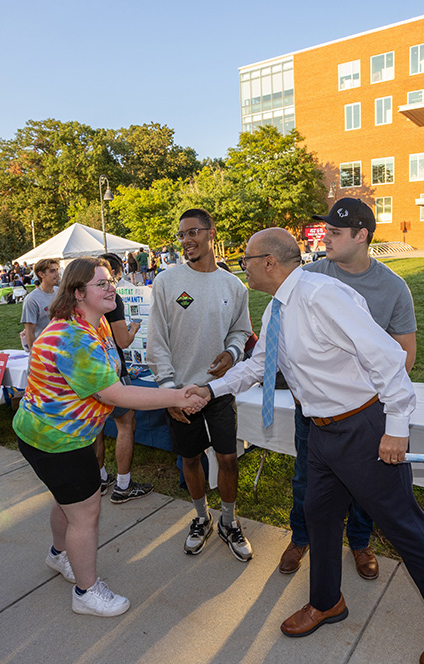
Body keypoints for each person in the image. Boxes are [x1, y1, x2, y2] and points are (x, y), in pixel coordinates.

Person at [192, 226, 424, 664]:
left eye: (247, 260)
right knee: (320, 516)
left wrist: (397, 426)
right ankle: (327, 601)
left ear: (269, 262)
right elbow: (258, 365)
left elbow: (386, 357)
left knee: (404, 527)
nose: (243, 267)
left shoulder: (322, 295)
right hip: (322, 433)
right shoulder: (277, 308)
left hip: (363, 429)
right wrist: (210, 391)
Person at [13, 256, 207, 617]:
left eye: (110, 281)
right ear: (77, 292)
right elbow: (115, 395)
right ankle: (86, 593)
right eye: (101, 283)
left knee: (67, 501)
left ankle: (59, 555)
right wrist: (177, 396)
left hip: (57, 435)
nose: (111, 287)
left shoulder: (91, 322)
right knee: (86, 513)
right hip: (57, 440)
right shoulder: (74, 338)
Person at [277, 198, 417, 579]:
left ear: (362, 235)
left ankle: (360, 542)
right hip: (316, 410)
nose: (325, 238)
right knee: (305, 476)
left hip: (365, 413)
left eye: (335, 233)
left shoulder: (392, 287)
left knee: (365, 485)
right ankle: (301, 537)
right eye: (326, 230)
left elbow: (405, 351)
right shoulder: (309, 276)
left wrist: (383, 409)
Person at [146, 208, 254, 562]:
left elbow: (241, 330)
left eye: (193, 232)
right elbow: (157, 341)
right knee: (190, 459)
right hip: (179, 389)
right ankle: (201, 518)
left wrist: (232, 351)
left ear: (211, 233)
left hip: (219, 391)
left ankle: (228, 521)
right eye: (181, 235)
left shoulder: (233, 285)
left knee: (228, 458)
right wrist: (168, 391)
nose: (186, 241)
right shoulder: (166, 282)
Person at [93, 252, 151, 504]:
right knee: (126, 423)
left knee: (95, 428)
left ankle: (100, 477)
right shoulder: (112, 299)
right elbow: (123, 341)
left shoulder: (81, 297)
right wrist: (135, 327)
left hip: (89, 371)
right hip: (112, 371)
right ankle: (123, 485)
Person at [21, 259, 61, 351]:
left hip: (61, 347)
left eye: (57, 270)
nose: (57, 273)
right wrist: (33, 355)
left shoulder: (59, 292)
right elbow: (30, 332)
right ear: (41, 274)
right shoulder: (32, 299)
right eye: (52, 271)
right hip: (43, 349)